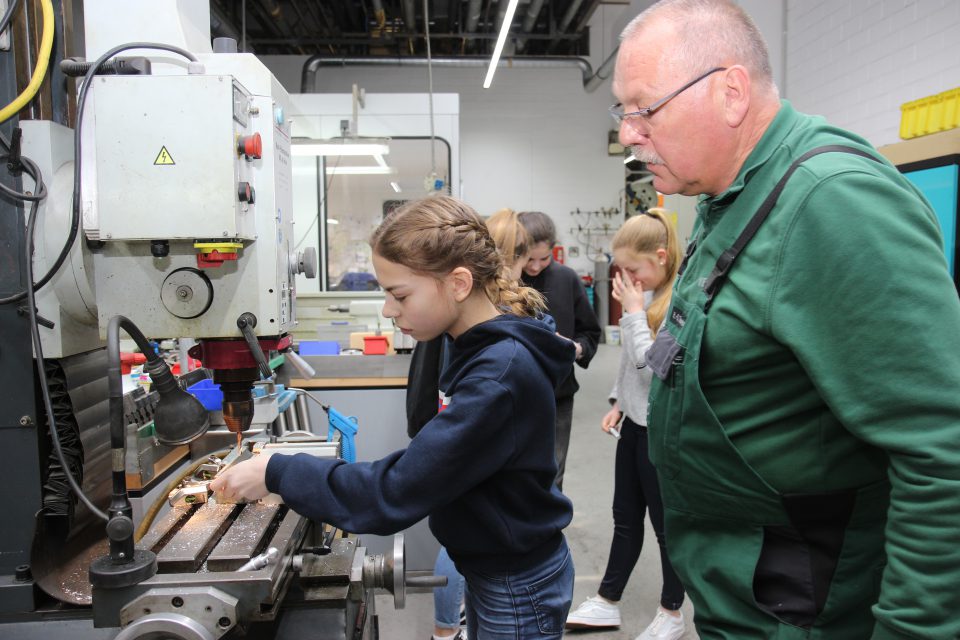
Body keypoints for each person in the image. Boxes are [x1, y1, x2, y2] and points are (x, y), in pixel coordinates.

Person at [611, 1, 960, 638]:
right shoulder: (732, 194)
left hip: (808, 610)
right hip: (748, 596)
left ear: (731, 92)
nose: (629, 133)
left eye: (644, 109)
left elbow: (942, 451)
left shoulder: (832, 201)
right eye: (623, 112)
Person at [212, 195, 576, 639]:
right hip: (495, 569)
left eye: (399, 294)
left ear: (459, 283)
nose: (388, 309)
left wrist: (277, 472)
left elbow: (395, 491)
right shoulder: (476, 349)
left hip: (516, 587)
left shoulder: (497, 375)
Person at [408, 207, 534, 640]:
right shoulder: (480, 332)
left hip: (510, 562)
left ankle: (445, 632)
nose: (391, 310)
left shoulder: (497, 358)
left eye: (400, 295)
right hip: (499, 551)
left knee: (464, 534)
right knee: (462, 536)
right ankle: (448, 631)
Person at [566, 209, 686, 639]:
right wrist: (618, 399)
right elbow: (630, 367)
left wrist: (633, 312)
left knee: (667, 527)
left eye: (633, 268)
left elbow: (653, 365)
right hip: (635, 423)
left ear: (660, 255)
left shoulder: (678, 301)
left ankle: (673, 612)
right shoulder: (649, 296)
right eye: (621, 269)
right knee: (625, 517)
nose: (628, 278)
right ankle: (608, 601)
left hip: (662, 432)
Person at [517, 211, 601, 491]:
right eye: (529, 259)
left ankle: (549, 533)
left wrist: (576, 348)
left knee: (552, 476)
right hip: (514, 395)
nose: (536, 266)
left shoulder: (567, 279)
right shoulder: (506, 281)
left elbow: (590, 332)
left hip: (559, 395)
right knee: (514, 474)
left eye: (545, 258)